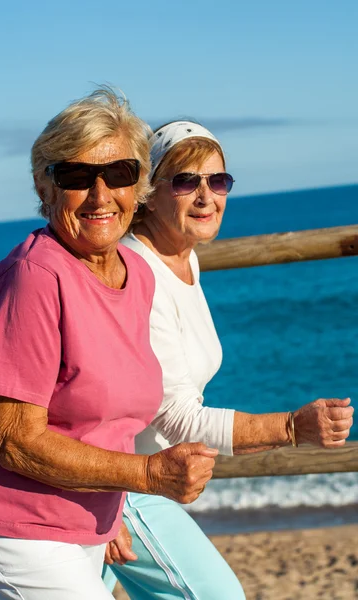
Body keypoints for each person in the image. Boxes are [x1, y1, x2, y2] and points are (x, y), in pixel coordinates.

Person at [0, 99, 219, 600]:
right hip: (12, 519)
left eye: (119, 172)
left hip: (81, 513)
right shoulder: (33, 277)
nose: (100, 195)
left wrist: (116, 502)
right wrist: (147, 474)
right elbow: (14, 439)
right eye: (77, 175)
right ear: (44, 186)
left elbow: (106, 415)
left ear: (139, 185)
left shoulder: (136, 273)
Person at [103, 120, 354, 599]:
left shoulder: (183, 256)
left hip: (138, 475)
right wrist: (290, 429)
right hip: (121, 479)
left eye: (217, 181)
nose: (206, 196)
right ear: (148, 194)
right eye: (185, 181)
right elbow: (176, 417)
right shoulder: (139, 274)